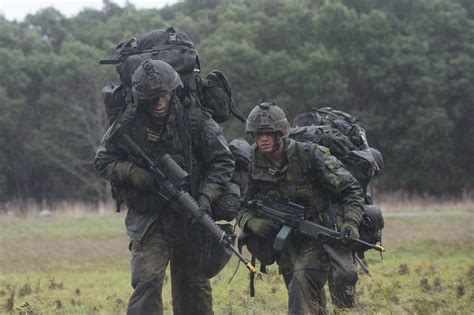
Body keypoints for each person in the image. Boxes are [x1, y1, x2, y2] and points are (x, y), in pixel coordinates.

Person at [94, 59, 234, 315]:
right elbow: (103, 161)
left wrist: (205, 196)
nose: (159, 103)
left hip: (189, 214)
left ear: (173, 91)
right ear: (141, 99)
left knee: (193, 287)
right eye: (152, 98)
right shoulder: (128, 123)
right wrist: (137, 175)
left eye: (163, 96)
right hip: (149, 217)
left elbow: (222, 161)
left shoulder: (194, 119)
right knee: (146, 281)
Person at [237, 101, 365, 314]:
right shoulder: (249, 161)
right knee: (304, 295)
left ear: (281, 133)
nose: (263, 139)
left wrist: (351, 222)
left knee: (302, 280)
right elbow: (239, 202)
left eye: (268, 133)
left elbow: (351, 188)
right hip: (284, 242)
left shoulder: (310, 155)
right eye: (258, 135)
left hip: (317, 234)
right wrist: (250, 222)